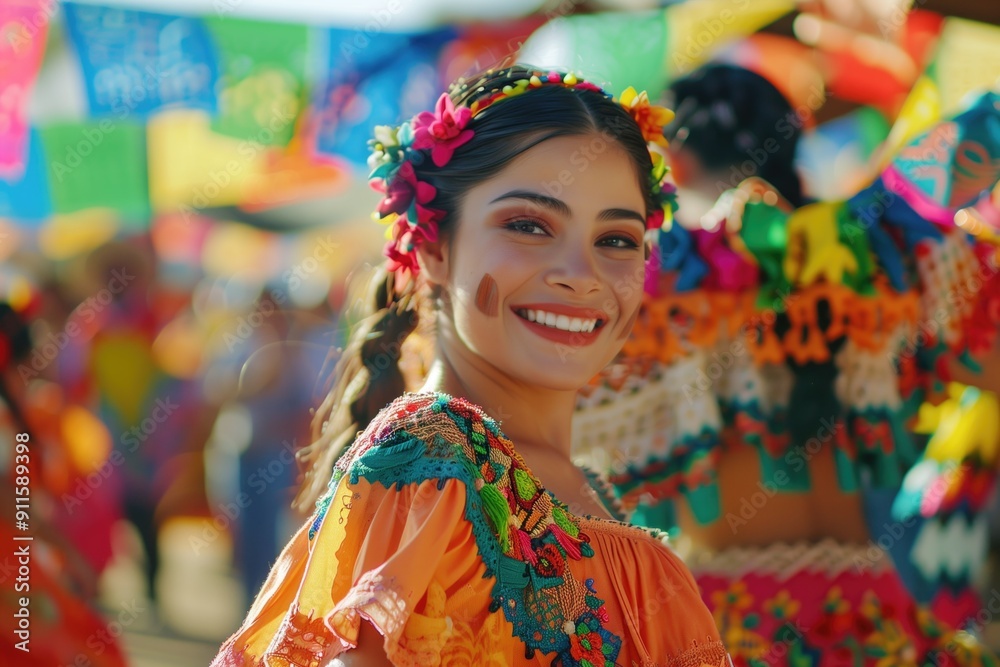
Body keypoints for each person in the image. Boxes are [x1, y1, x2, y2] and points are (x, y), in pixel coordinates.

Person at [211, 65, 730, 665]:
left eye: (616, 239)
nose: (581, 275)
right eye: (529, 225)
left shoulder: (588, 490)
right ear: (434, 248)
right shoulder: (436, 464)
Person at [569, 61, 1000, 666]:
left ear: (676, 163)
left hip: (736, 626)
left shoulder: (665, 287)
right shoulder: (871, 257)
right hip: (878, 620)